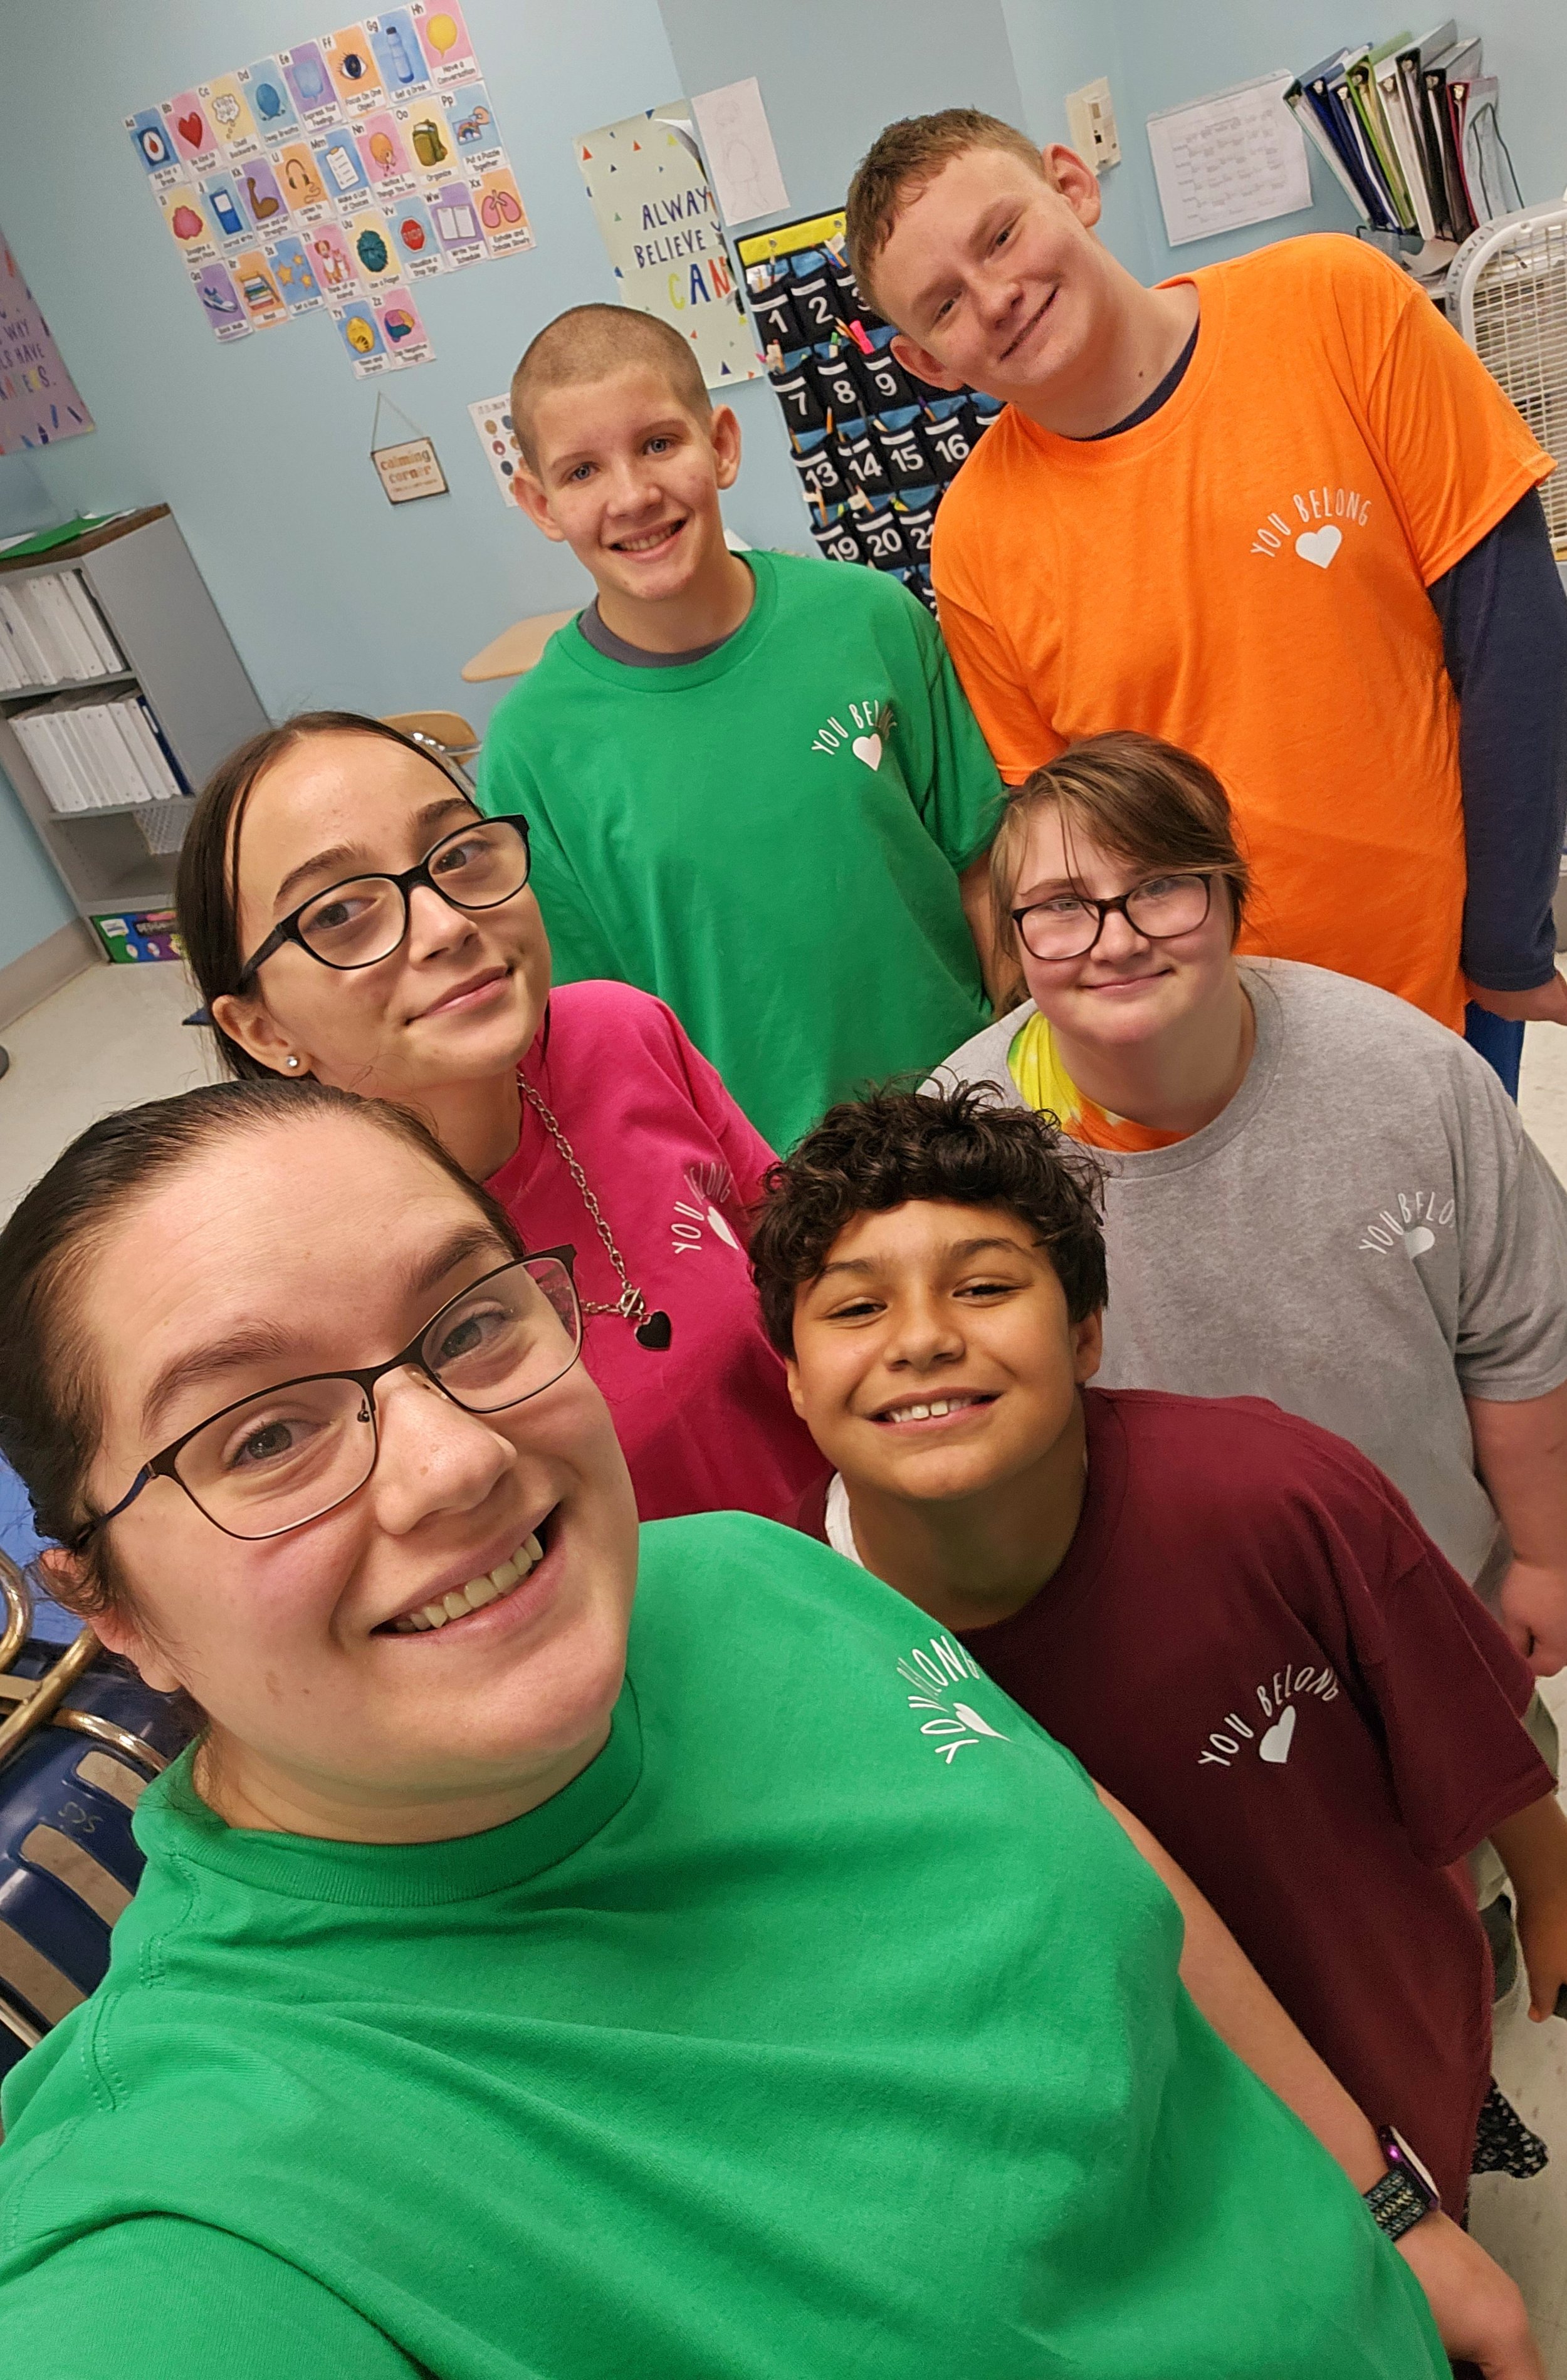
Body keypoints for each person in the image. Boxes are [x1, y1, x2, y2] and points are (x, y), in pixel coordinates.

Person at [0, 1078, 1541, 2379]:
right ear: (105, 1605)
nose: (451, 1466)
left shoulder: (751, 1574)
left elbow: (1082, 1842)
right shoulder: (194, 2212)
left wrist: (1386, 2210)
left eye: (468, 1327)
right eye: (262, 1434)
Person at [750, 1080, 1567, 2217]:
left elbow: (1471, 1718)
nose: (925, 1339)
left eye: (984, 1287)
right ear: (789, 1373)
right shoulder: (789, 1635)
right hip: (1103, 2166)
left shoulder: (1275, 1495)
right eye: (853, 1309)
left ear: (1086, 1331)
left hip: (1382, 2064)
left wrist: (1551, 1886)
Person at [844, 109, 1567, 1096]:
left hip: (1441, 987)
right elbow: (1070, 835)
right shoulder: (974, 538)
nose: (998, 296)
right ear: (927, 362)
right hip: (1203, 1045)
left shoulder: (1337, 304)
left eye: (1003, 235)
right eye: (943, 306)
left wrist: (1507, 942)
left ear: (1071, 184)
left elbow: (1513, 633)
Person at [931, 732, 1567, 1690]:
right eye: (1063, 906)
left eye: (1160, 887)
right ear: (1014, 939)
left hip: (1429, 1601)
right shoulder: (963, 1138)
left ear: (1232, 897)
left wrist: (1546, 1558)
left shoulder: (1413, 1077)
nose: (1118, 936)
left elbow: (1521, 1340)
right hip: (1151, 1648)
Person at [176, 710, 822, 1525]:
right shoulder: (299, 1282)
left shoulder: (620, 1033)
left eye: (460, 855)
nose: (447, 924)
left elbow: (799, 1264)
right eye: (340, 913)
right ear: (262, 1030)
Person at [476, 302, 1000, 1152]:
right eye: (581, 472)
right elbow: (591, 1031)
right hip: (768, 1180)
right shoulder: (530, 753)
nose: (633, 495)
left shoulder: (870, 618)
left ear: (720, 444)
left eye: (658, 443)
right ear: (539, 503)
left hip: (969, 1106)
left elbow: (979, 861)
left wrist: (1009, 1063)